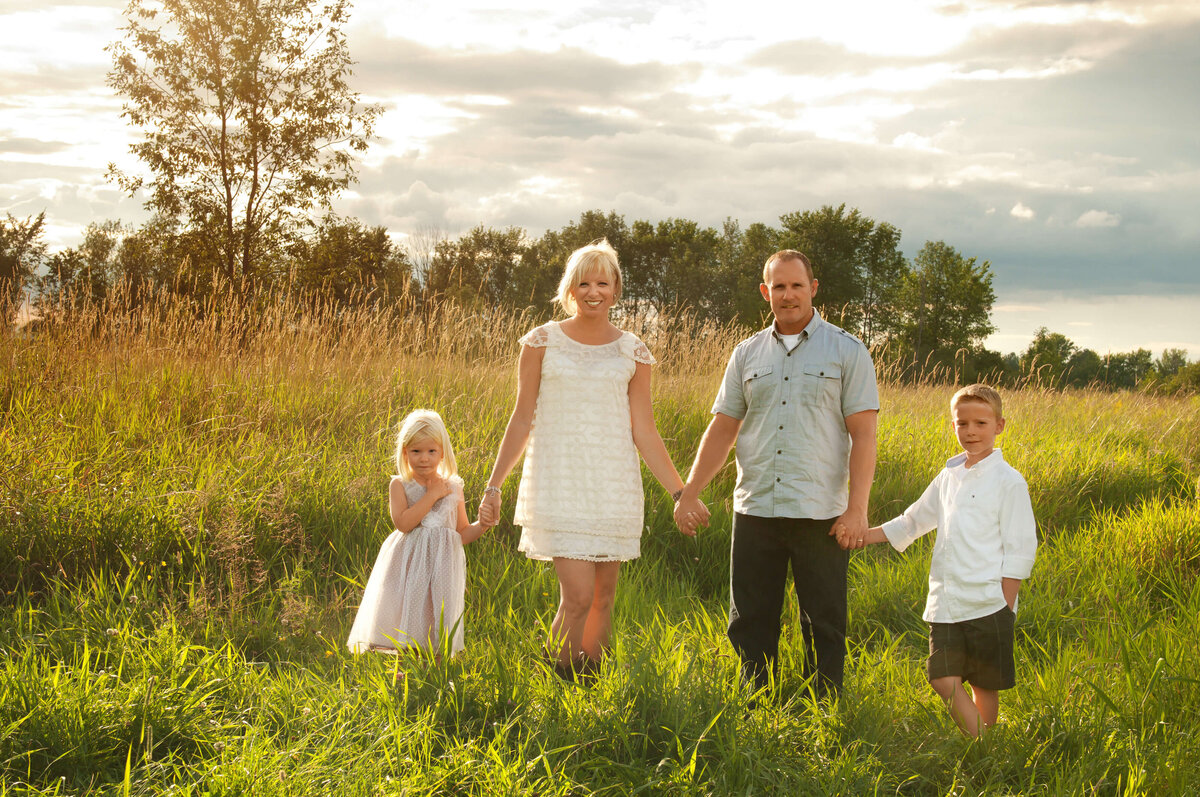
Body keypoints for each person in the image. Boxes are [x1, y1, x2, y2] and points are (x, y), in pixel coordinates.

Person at [478, 239, 702, 680]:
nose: (593, 291)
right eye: (584, 282)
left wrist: (682, 492)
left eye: (603, 282)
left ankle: (591, 682)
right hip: (560, 483)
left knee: (603, 597)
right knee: (577, 598)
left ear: (617, 289)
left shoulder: (632, 350)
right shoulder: (542, 341)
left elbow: (645, 430)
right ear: (570, 289)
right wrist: (493, 485)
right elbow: (522, 419)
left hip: (613, 485)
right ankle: (557, 685)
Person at [674, 249, 878, 698]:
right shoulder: (746, 354)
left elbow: (864, 435)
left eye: (796, 285)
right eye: (779, 287)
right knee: (749, 619)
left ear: (813, 289)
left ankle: (824, 712)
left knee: (823, 620)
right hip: (757, 507)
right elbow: (723, 426)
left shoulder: (848, 350)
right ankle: (755, 705)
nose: (788, 295)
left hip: (820, 511)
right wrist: (689, 492)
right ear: (766, 292)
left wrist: (857, 509)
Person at [836, 384, 1037, 737]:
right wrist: (863, 536)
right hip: (945, 602)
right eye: (962, 424)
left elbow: (1020, 548)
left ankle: (984, 752)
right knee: (943, 679)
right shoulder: (948, 477)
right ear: (953, 425)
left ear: (999, 426)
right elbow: (913, 521)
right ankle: (987, 744)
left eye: (980, 423)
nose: (971, 431)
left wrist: (1006, 605)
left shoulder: (1010, 482)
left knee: (984, 684)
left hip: (989, 602)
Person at [347, 409, 490, 657]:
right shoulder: (400, 485)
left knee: (437, 618)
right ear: (405, 452)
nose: (424, 458)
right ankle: (401, 671)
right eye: (416, 451)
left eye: (431, 451)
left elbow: (462, 533)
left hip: (442, 568)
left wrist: (484, 525)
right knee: (405, 617)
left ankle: (433, 674)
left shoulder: (454, 486)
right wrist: (432, 495)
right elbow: (403, 523)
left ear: (442, 452)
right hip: (407, 566)